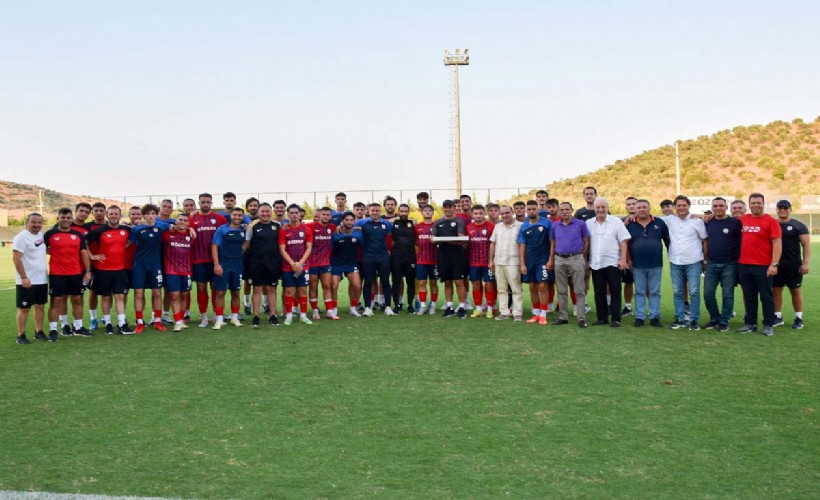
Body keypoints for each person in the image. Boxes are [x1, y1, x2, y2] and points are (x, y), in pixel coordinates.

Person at [735, 193, 783, 336]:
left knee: (766, 296)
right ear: (749, 205)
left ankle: (768, 324)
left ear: (763, 204)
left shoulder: (770, 221)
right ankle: (750, 323)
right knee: (749, 296)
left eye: (759, 202)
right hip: (744, 265)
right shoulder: (742, 220)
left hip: (763, 266)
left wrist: (774, 264)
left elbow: (777, 244)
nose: (756, 205)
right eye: (753, 203)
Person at [44, 208, 94, 339]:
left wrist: (88, 271)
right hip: (57, 273)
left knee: (77, 300)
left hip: (76, 273)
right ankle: (55, 329)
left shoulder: (78, 235)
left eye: (68, 218)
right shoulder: (50, 234)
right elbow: (42, 249)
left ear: (71, 219)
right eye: (63, 217)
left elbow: (84, 253)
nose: (65, 220)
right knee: (56, 301)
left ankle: (78, 327)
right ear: (58, 218)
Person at [662, 195, 708, 330]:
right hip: (675, 261)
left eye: (684, 205)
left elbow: (705, 240)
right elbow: (651, 218)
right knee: (677, 292)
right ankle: (680, 318)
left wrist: (704, 260)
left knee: (694, 292)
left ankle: (694, 320)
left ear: (688, 206)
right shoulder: (670, 220)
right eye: (679, 205)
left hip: (693, 262)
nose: (681, 208)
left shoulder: (697, 222)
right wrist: (631, 217)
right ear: (675, 207)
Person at [86, 206, 134, 335]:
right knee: (106, 297)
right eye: (111, 214)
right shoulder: (100, 231)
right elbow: (84, 242)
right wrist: (92, 256)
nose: (113, 216)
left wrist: (126, 246)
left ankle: (122, 324)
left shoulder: (126, 230)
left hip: (120, 269)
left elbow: (135, 235)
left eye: (116, 214)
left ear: (120, 215)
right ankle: (108, 324)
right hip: (103, 270)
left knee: (119, 296)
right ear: (107, 215)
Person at [586, 197, 631, 327]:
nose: (600, 210)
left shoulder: (616, 221)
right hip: (595, 262)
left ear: (607, 208)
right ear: (594, 209)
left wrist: (623, 259)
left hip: (612, 262)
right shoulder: (589, 223)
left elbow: (624, 240)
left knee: (615, 291)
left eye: (603, 207)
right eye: (598, 208)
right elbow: (586, 242)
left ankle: (616, 319)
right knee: (599, 292)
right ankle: (602, 318)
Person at [128, 204, 172, 333]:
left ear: (156, 215)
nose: (150, 216)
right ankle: (140, 322)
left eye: (153, 213)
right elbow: (128, 243)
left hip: (155, 265)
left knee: (157, 293)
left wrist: (190, 229)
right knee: (139, 293)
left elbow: (177, 226)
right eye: (147, 214)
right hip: (139, 265)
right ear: (144, 215)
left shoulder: (161, 226)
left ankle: (157, 321)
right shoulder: (136, 229)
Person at [625, 200, 669, 327]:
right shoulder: (630, 224)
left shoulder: (659, 222)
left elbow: (667, 240)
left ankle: (654, 317)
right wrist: (628, 259)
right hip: (637, 264)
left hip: (655, 263)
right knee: (639, 291)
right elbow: (625, 243)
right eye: (639, 207)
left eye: (645, 207)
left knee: (655, 291)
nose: (642, 209)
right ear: (635, 209)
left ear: (649, 208)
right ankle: (640, 317)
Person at [702, 197, 742, 332]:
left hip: (730, 264)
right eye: (715, 206)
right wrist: (705, 260)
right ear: (712, 208)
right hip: (712, 263)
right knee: (708, 293)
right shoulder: (707, 222)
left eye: (721, 205)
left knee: (727, 294)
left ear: (726, 207)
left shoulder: (735, 223)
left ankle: (724, 321)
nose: (718, 208)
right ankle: (714, 318)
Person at [189, 193, 228, 327]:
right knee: (201, 287)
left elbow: (227, 233)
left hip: (216, 260)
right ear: (199, 203)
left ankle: (217, 316)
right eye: (203, 202)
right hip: (198, 259)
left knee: (216, 288)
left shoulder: (220, 218)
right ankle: (204, 316)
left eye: (208, 202)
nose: (205, 204)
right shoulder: (192, 219)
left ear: (211, 203)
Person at [548, 202, 589, 328]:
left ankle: (581, 318)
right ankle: (563, 317)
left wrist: (582, 256)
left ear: (572, 210)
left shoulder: (580, 224)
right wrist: (551, 259)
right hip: (559, 259)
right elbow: (553, 243)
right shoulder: (555, 226)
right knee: (561, 290)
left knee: (579, 290)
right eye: (562, 210)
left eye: (567, 209)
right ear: (559, 211)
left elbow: (586, 241)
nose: (564, 212)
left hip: (576, 257)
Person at [244, 202, 283, 328]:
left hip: (273, 263)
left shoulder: (278, 225)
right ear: (259, 213)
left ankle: (273, 315)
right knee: (257, 289)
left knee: (272, 289)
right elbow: (247, 244)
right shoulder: (252, 225)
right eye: (263, 211)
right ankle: (256, 316)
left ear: (271, 212)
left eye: (267, 211)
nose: (265, 214)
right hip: (257, 263)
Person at [773, 199, 810, 330]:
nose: (782, 210)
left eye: (785, 208)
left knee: (795, 291)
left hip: (793, 265)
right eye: (780, 208)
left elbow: (806, 245)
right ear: (776, 209)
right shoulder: (773, 224)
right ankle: (777, 317)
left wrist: (806, 263)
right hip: (776, 264)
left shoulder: (799, 225)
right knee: (776, 290)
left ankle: (798, 318)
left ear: (790, 210)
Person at [13, 213, 49, 344]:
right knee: (24, 308)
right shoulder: (21, 238)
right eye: (34, 222)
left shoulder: (41, 236)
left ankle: (38, 332)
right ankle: (20, 335)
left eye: (39, 222)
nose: (37, 225)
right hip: (27, 279)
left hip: (41, 279)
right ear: (27, 222)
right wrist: (23, 277)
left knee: (40, 306)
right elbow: (16, 258)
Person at [432, 199, 469, 318]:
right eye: (445, 207)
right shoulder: (438, 222)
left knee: (459, 281)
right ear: (443, 208)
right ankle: (449, 307)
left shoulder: (459, 221)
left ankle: (462, 307)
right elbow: (433, 239)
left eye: (450, 207)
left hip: (457, 256)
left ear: (454, 208)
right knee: (447, 282)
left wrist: (444, 240)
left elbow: (461, 240)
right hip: (443, 255)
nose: (448, 209)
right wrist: (438, 240)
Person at [211, 207, 247, 329]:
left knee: (235, 292)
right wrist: (217, 264)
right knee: (220, 292)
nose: (237, 217)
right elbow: (214, 246)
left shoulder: (244, 230)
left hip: (238, 266)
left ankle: (234, 318)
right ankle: (220, 319)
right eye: (235, 215)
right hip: (224, 265)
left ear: (243, 217)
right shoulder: (222, 229)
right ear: (230, 216)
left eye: (240, 215)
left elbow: (245, 245)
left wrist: (248, 233)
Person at [279, 204, 314, 325]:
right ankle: (288, 315)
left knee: (303, 290)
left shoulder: (306, 229)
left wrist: (300, 263)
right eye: (291, 213)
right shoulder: (284, 230)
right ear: (288, 215)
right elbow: (282, 249)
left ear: (300, 214)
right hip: (288, 266)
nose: (294, 215)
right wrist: (293, 263)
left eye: (296, 213)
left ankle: (303, 316)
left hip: (303, 266)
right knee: (289, 290)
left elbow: (309, 248)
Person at [518, 200, 552, 325]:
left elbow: (552, 242)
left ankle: (543, 315)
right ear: (526, 211)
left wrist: (550, 259)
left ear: (538, 209)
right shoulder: (524, 226)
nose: (531, 211)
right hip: (529, 260)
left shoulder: (547, 223)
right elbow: (522, 245)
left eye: (534, 209)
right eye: (529, 209)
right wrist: (522, 263)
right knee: (532, 286)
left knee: (543, 285)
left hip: (543, 260)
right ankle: (536, 314)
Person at [359, 202, 395, 316]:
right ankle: (368, 308)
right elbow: (349, 226)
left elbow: (391, 237)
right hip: (368, 257)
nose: (375, 213)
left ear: (380, 211)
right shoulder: (362, 223)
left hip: (383, 256)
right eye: (372, 211)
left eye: (377, 211)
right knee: (368, 282)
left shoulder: (386, 224)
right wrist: (340, 226)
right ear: (368, 211)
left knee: (385, 282)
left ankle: (388, 307)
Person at [489, 205, 523, 321]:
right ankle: (504, 312)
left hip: (514, 262)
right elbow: (493, 244)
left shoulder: (520, 226)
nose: (505, 215)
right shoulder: (498, 227)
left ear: (512, 212)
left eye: (507, 213)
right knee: (501, 289)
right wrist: (491, 261)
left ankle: (517, 312)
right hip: (499, 261)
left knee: (516, 288)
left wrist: (523, 263)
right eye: (502, 213)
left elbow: (523, 245)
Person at [162, 212, 193, 331]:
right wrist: (169, 226)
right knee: (175, 296)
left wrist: (190, 229)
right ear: (175, 221)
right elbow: (158, 224)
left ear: (188, 223)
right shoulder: (167, 234)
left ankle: (181, 319)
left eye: (186, 221)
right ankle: (178, 321)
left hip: (187, 270)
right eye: (180, 220)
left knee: (184, 295)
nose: (183, 222)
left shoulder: (191, 235)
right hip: (171, 271)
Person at [330, 212, 363, 318]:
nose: (349, 222)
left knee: (357, 286)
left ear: (354, 221)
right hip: (336, 264)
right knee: (334, 285)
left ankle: (353, 308)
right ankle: (334, 309)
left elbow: (363, 247)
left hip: (351, 264)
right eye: (347, 220)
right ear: (342, 221)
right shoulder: (336, 234)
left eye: (351, 220)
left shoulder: (358, 233)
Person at [466, 205, 496, 318]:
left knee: (489, 285)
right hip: (474, 262)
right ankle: (478, 308)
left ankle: (489, 308)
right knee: (476, 284)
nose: (478, 215)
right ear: (472, 215)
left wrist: (492, 260)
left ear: (484, 214)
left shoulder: (491, 226)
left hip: (488, 262)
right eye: (476, 213)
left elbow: (494, 244)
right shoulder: (468, 227)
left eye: (480, 213)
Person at [308, 207, 336, 320]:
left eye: (328, 214)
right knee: (313, 286)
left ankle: (329, 311)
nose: (325, 216)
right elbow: (297, 228)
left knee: (327, 286)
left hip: (326, 263)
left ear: (331, 216)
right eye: (323, 214)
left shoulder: (333, 227)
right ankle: (315, 311)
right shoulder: (310, 226)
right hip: (312, 263)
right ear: (319, 215)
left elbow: (346, 228)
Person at [391, 204, 417, 313]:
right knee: (396, 281)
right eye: (401, 211)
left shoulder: (413, 223)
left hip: (410, 257)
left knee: (410, 282)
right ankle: (397, 305)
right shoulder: (392, 223)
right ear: (398, 211)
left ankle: (410, 305)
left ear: (408, 212)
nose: (403, 213)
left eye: (406, 211)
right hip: (396, 257)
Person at [86, 201, 107, 331]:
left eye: (101, 210)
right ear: (92, 212)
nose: (99, 213)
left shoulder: (112, 225)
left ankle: (106, 316)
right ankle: (93, 318)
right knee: (93, 291)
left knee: (108, 292)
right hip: (93, 264)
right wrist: (92, 256)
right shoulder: (88, 227)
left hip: (109, 264)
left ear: (105, 212)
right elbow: (84, 242)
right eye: (96, 211)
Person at [415, 204, 439, 315]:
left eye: (430, 210)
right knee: (422, 283)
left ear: (433, 213)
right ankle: (423, 306)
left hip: (434, 260)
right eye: (426, 210)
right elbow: (415, 241)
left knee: (433, 283)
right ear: (422, 212)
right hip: (421, 260)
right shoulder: (418, 227)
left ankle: (433, 305)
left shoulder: (436, 226)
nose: (428, 212)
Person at [620, 197, 638, 317]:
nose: (631, 206)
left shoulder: (647, 218)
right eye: (629, 204)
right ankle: (628, 307)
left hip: (643, 257)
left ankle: (652, 307)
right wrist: (626, 258)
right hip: (628, 257)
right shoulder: (622, 221)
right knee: (628, 282)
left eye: (633, 204)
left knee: (646, 284)